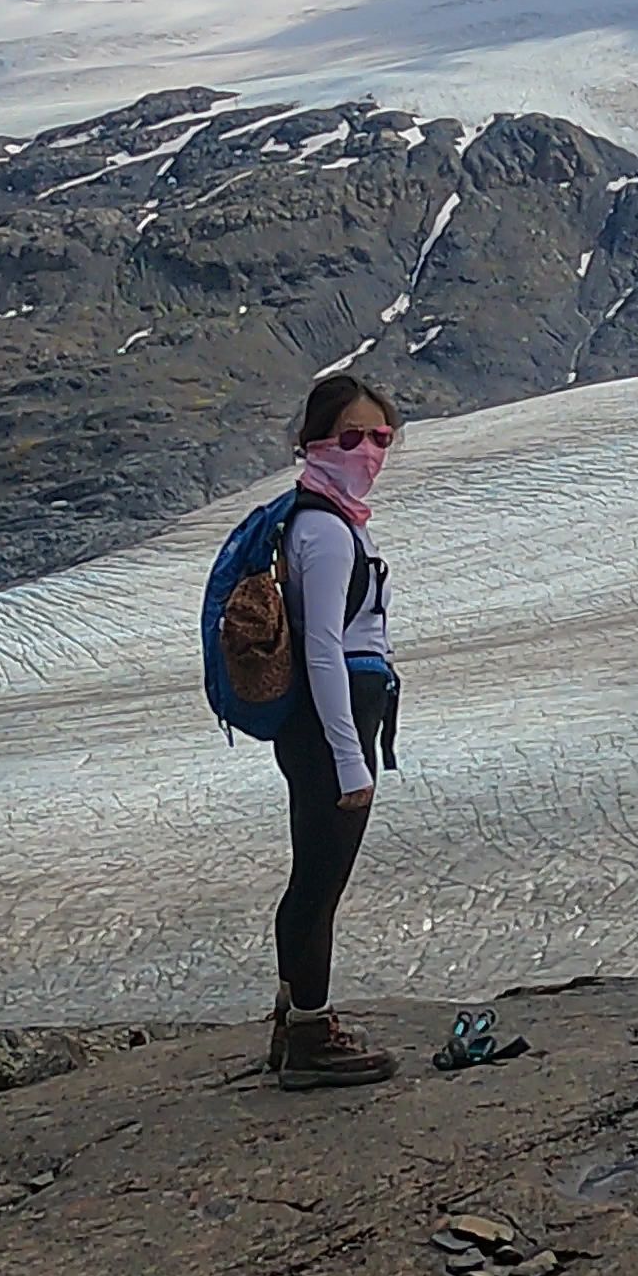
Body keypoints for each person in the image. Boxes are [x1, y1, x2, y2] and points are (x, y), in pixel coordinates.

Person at [266, 373, 404, 1089]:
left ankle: (294, 1019)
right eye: (351, 436)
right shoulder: (324, 530)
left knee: (312, 874)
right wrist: (352, 760)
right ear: (315, 443)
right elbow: (321, 646)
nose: (369, 449)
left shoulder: (331, 519)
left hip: (329, 717)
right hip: (334, 717)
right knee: (321, 880)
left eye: (381, 436)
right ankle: (313, 1036)